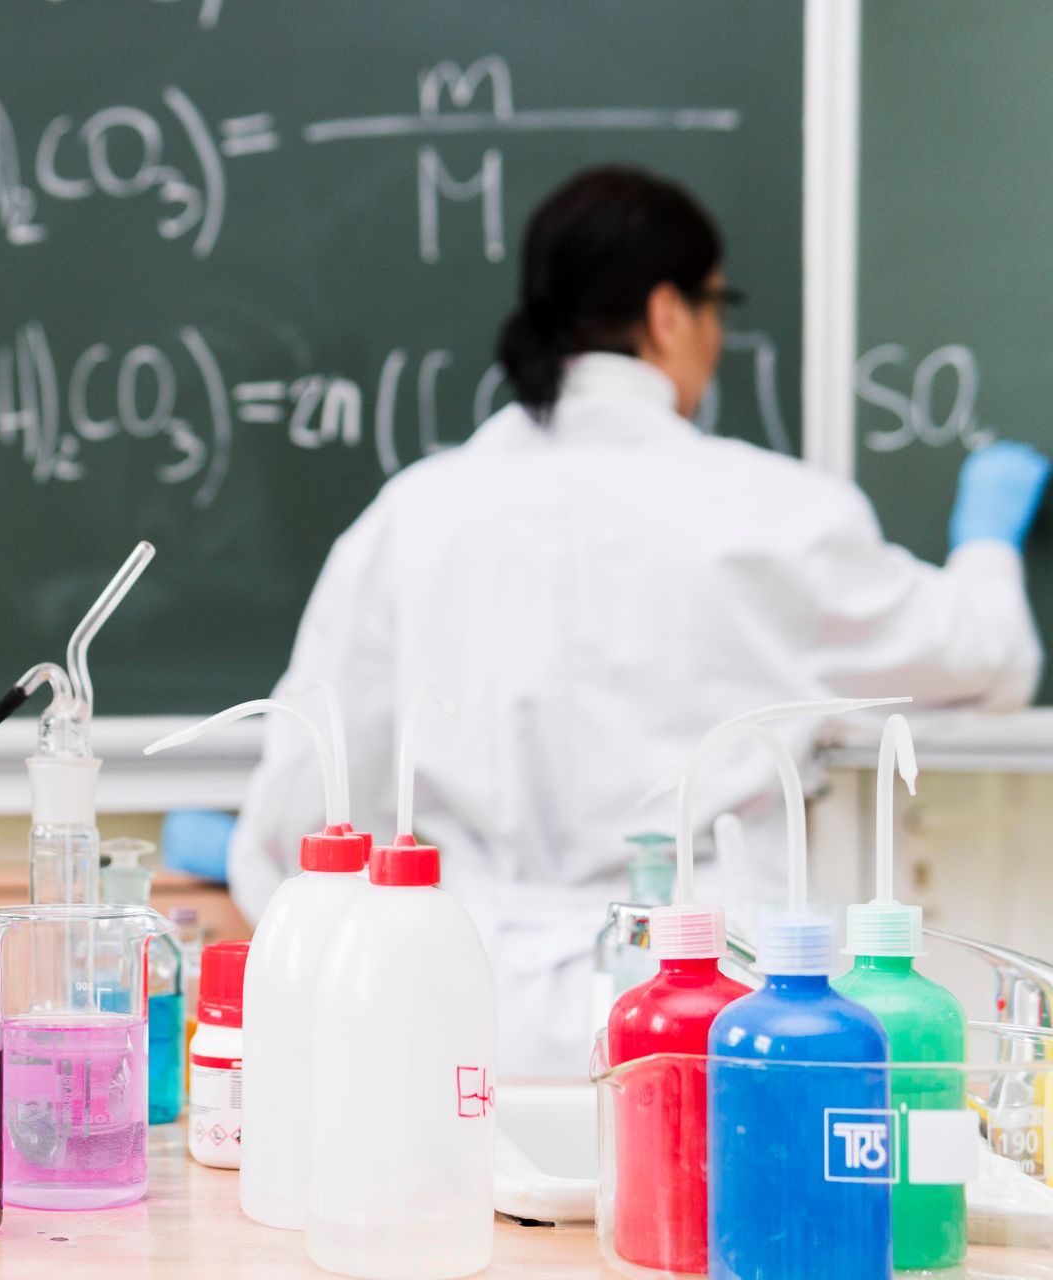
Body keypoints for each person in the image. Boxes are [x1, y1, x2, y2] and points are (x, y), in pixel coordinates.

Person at [229, 166, 1050, 1077]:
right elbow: (986, 660)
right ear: (668, 314)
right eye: (717, 307)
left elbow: (300, 814)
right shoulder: (776, 513)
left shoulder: (410, 520)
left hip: (469, 1022)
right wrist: (984, 546)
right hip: (718, 1027)